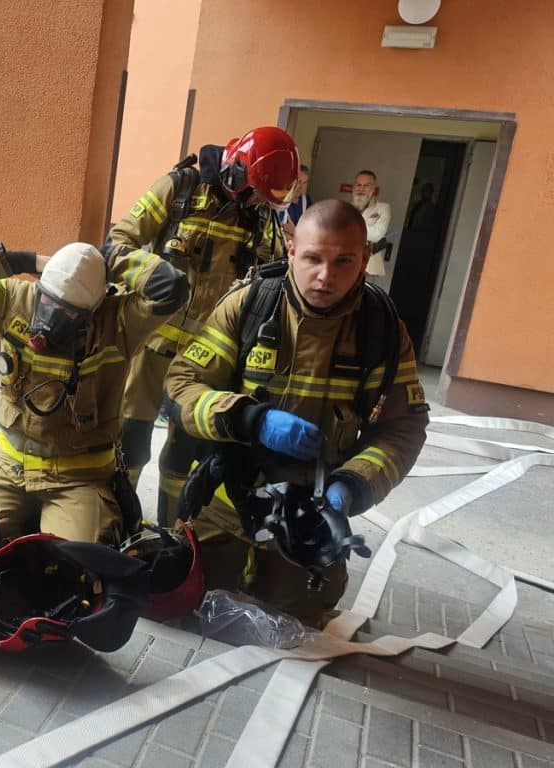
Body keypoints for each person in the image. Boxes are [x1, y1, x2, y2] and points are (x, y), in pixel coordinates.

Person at [165, 199, 429, 627]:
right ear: (291, 251)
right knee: (191, 599)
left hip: (313, 515)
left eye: (344, 261)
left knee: (300, 618)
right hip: (230, 499)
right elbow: (182, 384)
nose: (325, 276)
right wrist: (249, 419)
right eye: (312, 258)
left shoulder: (381, 329)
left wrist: (352, 486)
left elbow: (405, 427)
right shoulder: (250, 305)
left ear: (364, 258)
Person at [0, 241, 188, 545]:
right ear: (40, 287)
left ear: (93, 309)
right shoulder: (13, 299)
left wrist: (108, 257)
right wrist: (21, 259)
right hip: (8, 467)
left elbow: (171, 288)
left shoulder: (117, 323)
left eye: (68, 312)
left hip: (78, 479)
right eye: (49, 304)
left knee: (72, 566)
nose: (52, 318)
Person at [106, 126, 299, 525]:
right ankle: (119, 529)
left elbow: (274, 277)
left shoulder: (260, 217)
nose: (260, 201)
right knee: (131, 443)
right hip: (148, 345)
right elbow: (117, 242)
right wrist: (153, 274)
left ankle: (172, 536)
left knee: (184, 451)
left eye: (266, 197)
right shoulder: (180, 188)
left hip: (203, 361)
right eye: (257, 190)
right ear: (238, 169)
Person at [352, 169, 391, 279]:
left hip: (368, 267)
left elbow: (377, 234)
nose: (361, 189)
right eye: (358, 185)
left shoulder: (383, 208)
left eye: (366, 186)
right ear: (354, 187)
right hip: (346, 262)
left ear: (373, 189)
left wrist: (350, 229)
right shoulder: (345, 208)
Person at [278, 164, 313, 243]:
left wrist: (294, 233)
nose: (301, 187)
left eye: (305, 183)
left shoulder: (307, 201)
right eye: (299, 182)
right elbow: (280, 233)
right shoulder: (281, 202)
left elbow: (310, 235)